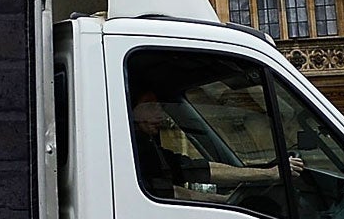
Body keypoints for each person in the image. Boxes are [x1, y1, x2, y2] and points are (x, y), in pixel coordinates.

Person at [128, 87, 301, 203]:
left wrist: (266, 173)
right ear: (130, 110)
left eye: (160, 107)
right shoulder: (135, 151)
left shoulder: (148, 146)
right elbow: (175, 192)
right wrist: (228, 201)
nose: (161, 115)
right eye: (150, 107)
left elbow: (196, 169)